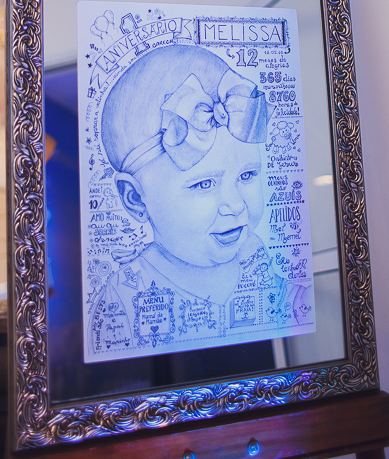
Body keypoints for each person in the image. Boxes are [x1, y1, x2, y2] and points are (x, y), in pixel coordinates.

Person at [87, 44, 312, 360]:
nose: (235, 205)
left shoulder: (253, 254)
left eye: (247, 175)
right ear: (135, 198)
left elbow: (289, 305)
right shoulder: (123, 298)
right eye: (204, 184)